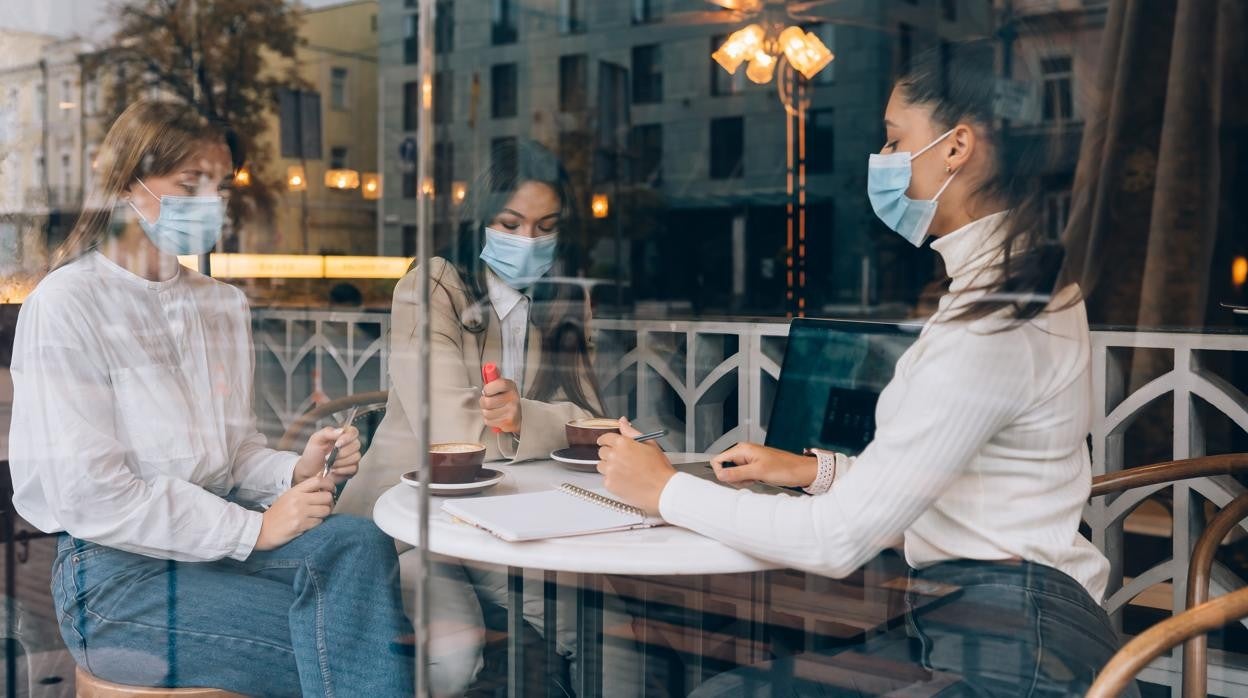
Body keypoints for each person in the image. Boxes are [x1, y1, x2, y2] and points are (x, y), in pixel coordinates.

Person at [595, 43, 1134, 696]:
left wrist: (662, 490)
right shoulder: (1009, 286)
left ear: (956, 147)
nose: (881, 161)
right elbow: (956, 482)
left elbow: (837, 541)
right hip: (992, 619)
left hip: (1017, 649)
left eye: (893, 138)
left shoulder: (992, 322)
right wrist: (813, 470)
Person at [7, 101, 413, 695]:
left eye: (220, 185)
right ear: (126, 184)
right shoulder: (68, 303)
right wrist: (254, 531)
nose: (210, 201)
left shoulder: (222, 305)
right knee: (353, 644)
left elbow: (235, 452)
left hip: (216, 551)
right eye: (189, 183)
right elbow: (93, 496)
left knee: (359, 540)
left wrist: (293, 470)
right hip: (117, 578)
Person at [338, 139, 640, 695]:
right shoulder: (432, 287)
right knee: (455, 655)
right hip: (414, 524)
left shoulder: (564, 300)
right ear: (480, 219)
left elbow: (590, 428)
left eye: (546, 227)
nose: (529, 242)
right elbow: (457, 434)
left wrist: (525, 417)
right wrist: (540, 423)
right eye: (511, 223)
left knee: (609, 631)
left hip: (519, 521)